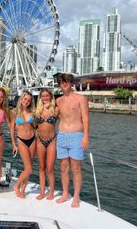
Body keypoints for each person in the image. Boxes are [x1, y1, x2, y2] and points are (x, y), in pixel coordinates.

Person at [55, 73, 90, 208]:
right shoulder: (58, 101)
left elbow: (86, 118)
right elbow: (53, 116)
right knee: (64, 168)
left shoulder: (81, 98)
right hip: (62, 135)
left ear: (71, 83)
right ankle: (65, 193)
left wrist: (86, 136)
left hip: (76, 135)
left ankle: (76, 196)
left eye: (66, 82)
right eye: (61, 83)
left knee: (76, 168)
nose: (64, 85)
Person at [10, 91, 36, 198]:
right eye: (25, 99)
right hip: (21, 141)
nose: (26, 101)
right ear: (21, 99)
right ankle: (17, 186)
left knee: (27, 168)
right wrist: (13, 144)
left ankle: (23, 189)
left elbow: (36, 126)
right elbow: (12, 129)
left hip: (32, 140)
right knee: (29, 169)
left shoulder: (33, 113)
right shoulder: (15, 112)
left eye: (29, 100)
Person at [35, 88, 59, 200]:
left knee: (50, 168)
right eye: (43, 96)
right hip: (40, 140)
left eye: (47, 96)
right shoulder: (37, 110)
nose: (45, 98)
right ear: (40, 98)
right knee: (41, 167)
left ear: (50, 96)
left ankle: (51, 192)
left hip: (51, 140)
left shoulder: (56, 109)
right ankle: (42, 192)